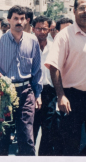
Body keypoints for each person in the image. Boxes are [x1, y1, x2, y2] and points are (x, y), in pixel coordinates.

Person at [45, 0, 86, 156]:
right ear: (74, 11)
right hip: (73, 98)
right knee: (70, 144)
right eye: (81, 8)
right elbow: (54, 66)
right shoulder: (64, 36)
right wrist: (61, 96)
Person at [0, 5, 43, 156]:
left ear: (26, 21)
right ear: (9, 20)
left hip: (25, 92)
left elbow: (37, 70)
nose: (19, 22)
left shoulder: (33, 41)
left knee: (26, 136)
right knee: (3, 136)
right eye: (15, 18)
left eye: (22, 19)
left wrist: (37, 95)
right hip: (4, 93)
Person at [31, 16, 62, 156]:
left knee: (48, 130)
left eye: (45, 28)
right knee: (31, 128)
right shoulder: (28, 46)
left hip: (49, 92)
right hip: (31, 92)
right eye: (38, 28)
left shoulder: (55, 46)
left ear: (49, 29)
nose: (42, 32)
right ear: (33, 29)